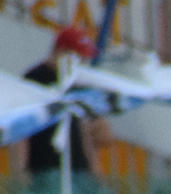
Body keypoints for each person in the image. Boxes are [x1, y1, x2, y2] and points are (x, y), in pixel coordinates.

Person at [22, 26, 109, 177]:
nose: (81, 63)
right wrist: (21, 169)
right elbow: (22, 129)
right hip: (44, 168)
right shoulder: (35, 80)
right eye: (78, 58)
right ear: (61, 52)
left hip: (79, 170)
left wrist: (96, 169)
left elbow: (87, 131)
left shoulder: (76, 84)